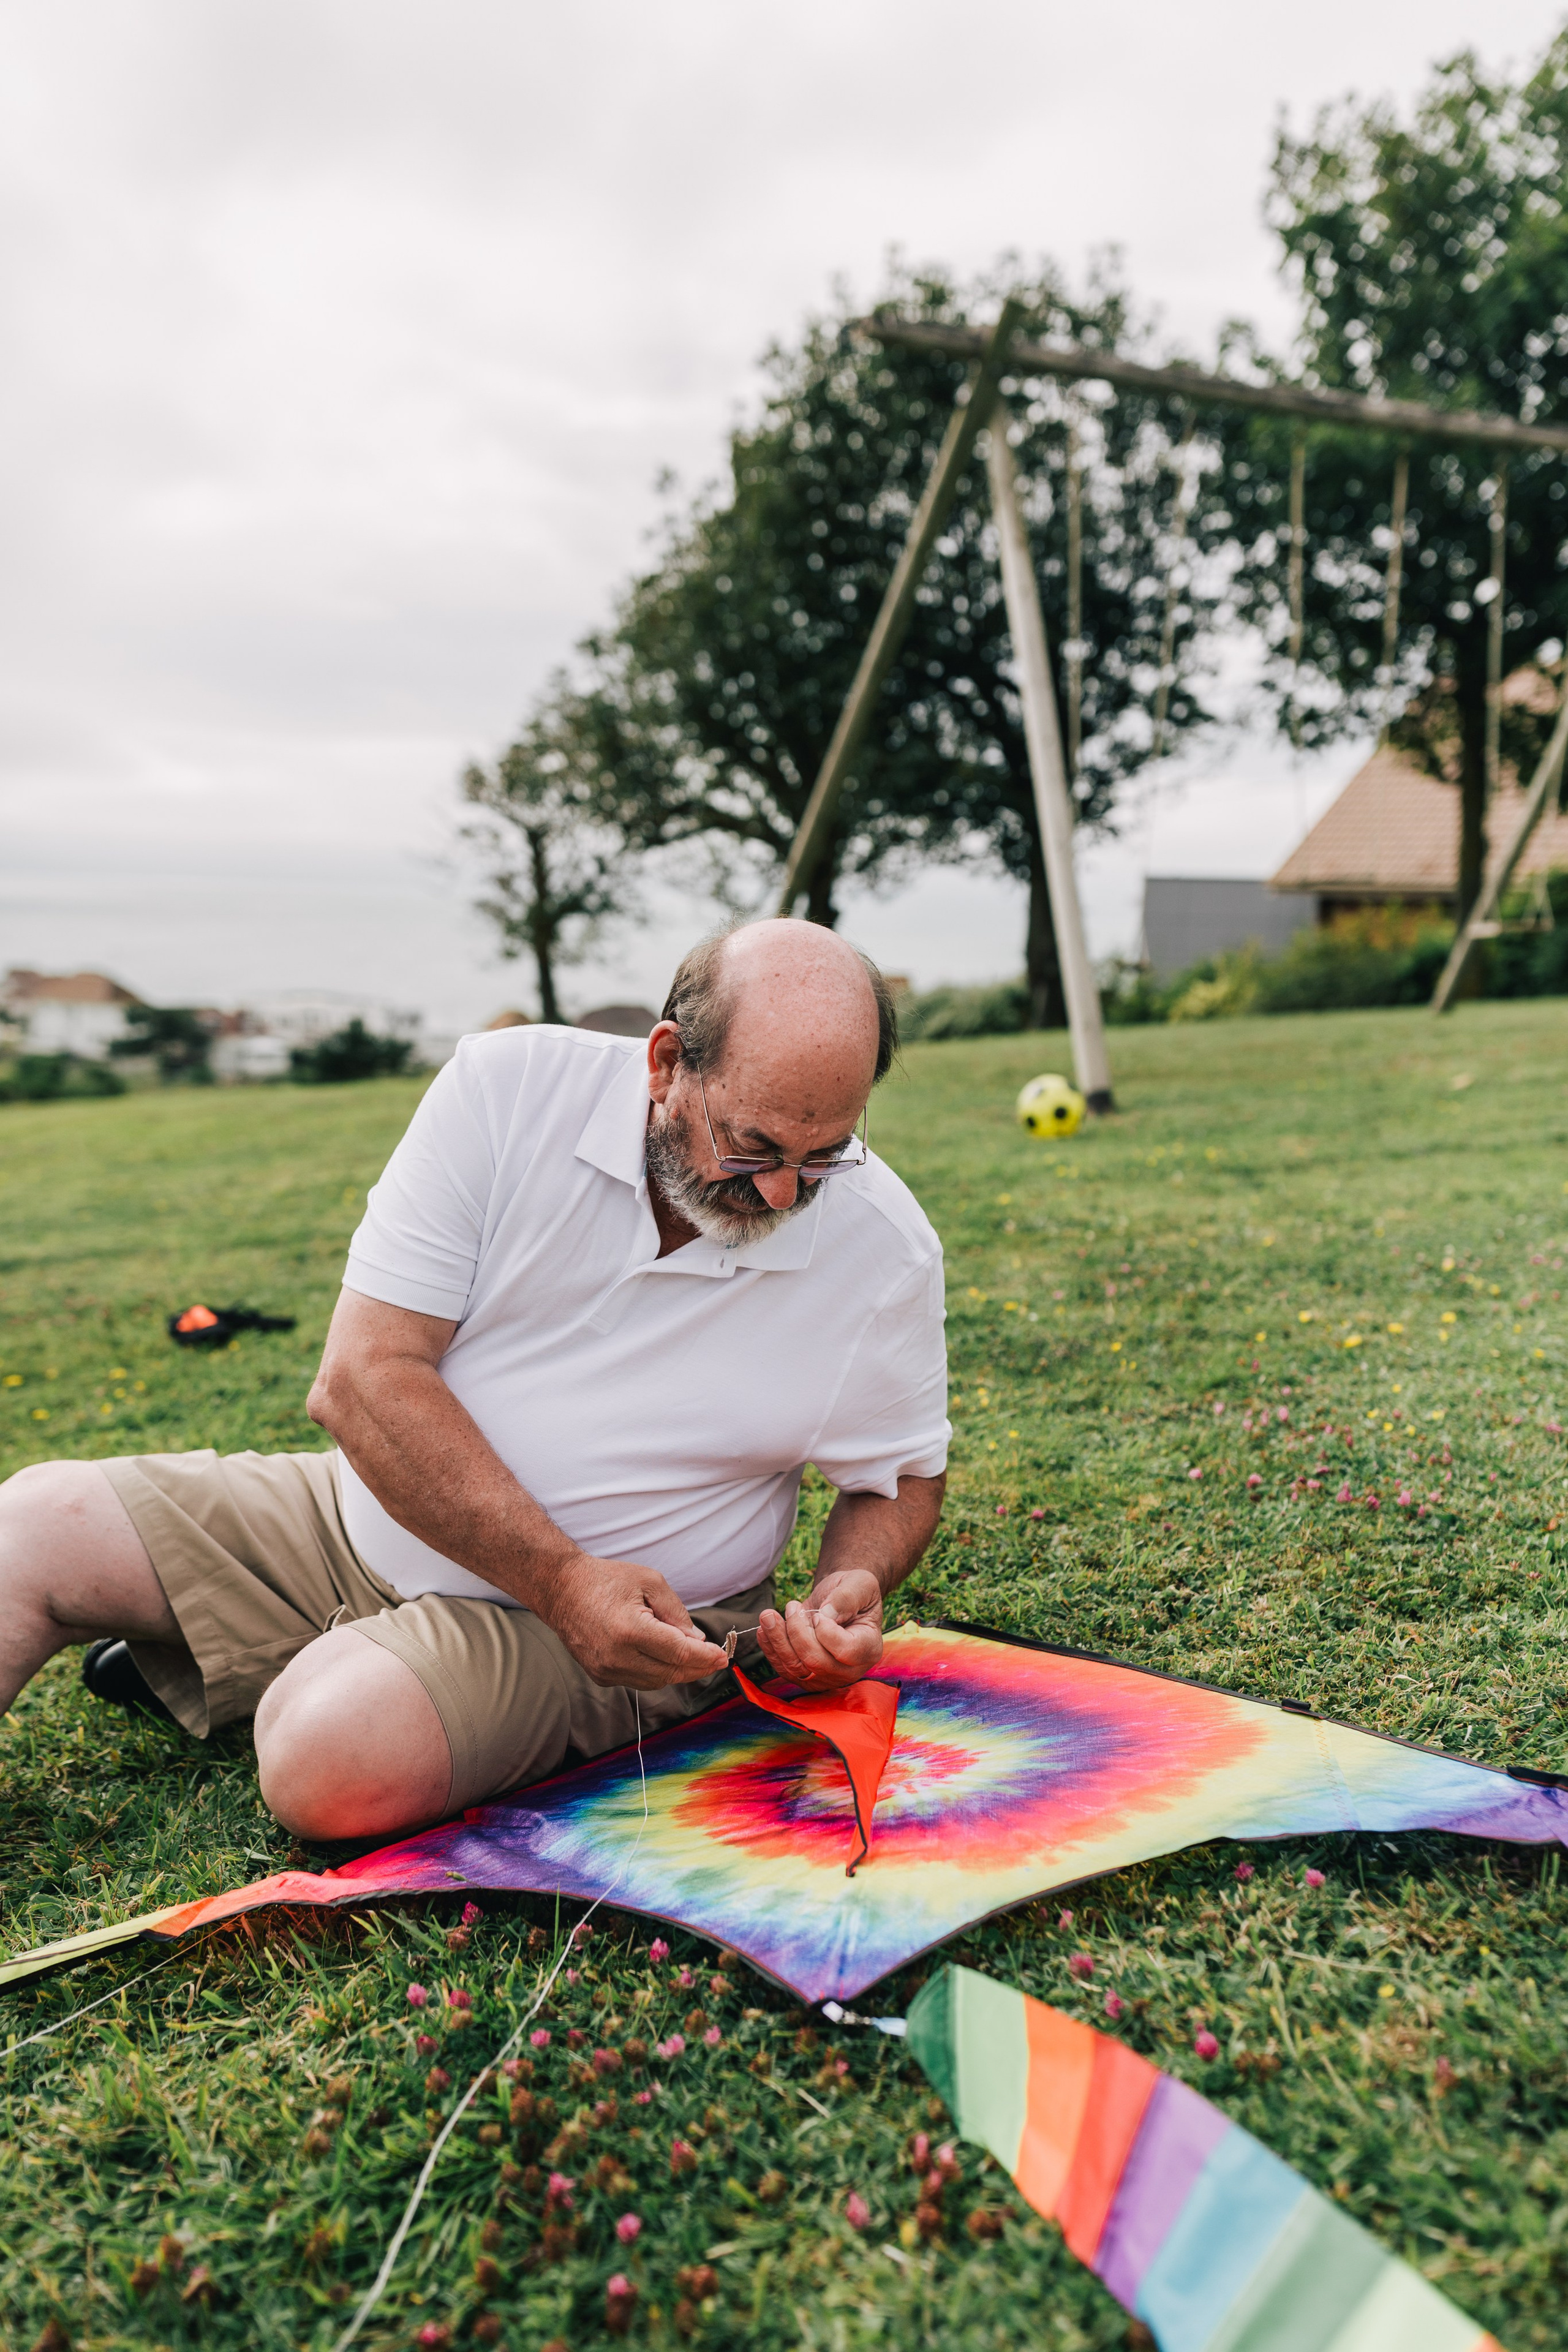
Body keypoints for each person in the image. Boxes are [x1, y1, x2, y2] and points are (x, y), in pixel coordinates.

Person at [0, 921, 948, 1841]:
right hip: (362, 1523)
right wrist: (562, 1577)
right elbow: (363, 1378)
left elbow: (901, 1475)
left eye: (824, 1157)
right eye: (752, 1146)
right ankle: (303, 1656)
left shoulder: (886, 1249)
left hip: (628, 1633)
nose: (782, 1192)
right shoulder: (507, 1091)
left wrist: (846, 1586)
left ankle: (276, 1669)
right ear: (666, 1064)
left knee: (325, 1757)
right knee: (35, 1522)